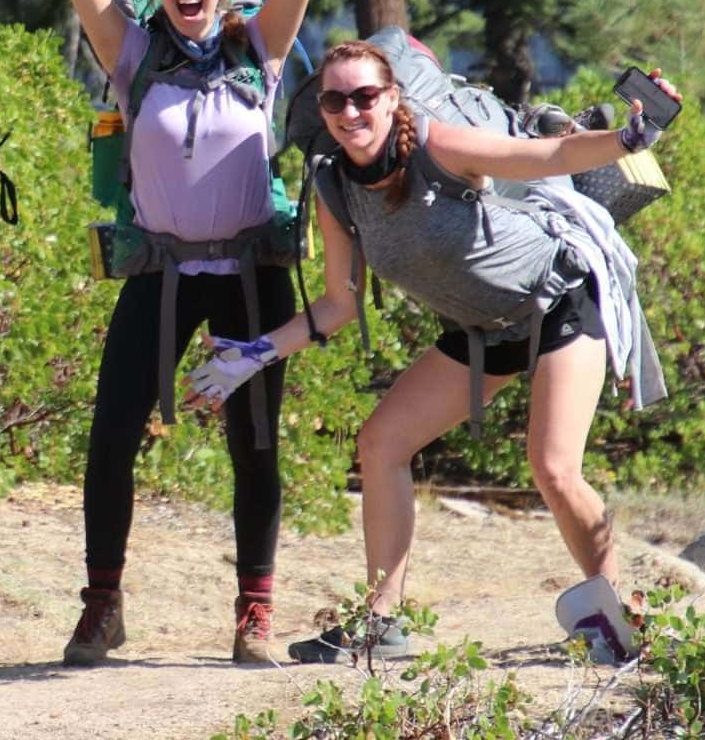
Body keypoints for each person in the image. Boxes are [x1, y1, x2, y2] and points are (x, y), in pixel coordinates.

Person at [0, 0, 380, 665]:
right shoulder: (129, 54)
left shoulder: (261, 50)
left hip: (250, 276)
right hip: (159, 278)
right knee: (112, 436)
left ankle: (255, 614)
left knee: (256, 443)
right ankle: (102, 605)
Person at [187, 40, 676, 663]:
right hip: (484, 330)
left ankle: (622, 609)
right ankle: (382, 624)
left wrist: (626, 141)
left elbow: (541, 155)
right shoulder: (336, 184)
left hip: (559, 299)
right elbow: (339, 305)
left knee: (553, 466)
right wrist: (253, 353)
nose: (350, 112)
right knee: (382, 443)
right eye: (334, 100)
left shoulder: (437, 148)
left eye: (365, 96)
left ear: (392, 100)